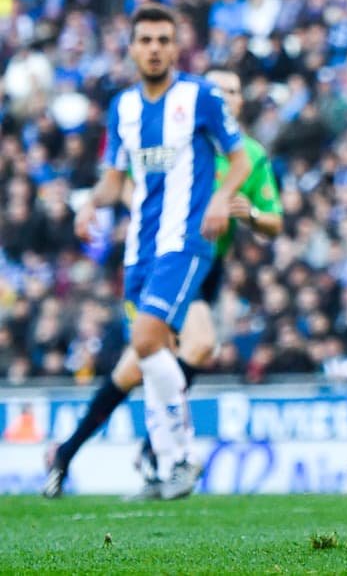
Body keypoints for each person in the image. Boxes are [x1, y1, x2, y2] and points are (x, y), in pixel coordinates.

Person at [44, 67, 284, 497]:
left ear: (241, 101)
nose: (225, 97)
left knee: (136, 365)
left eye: (233, 91)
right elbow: (126, 179)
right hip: (165, 258)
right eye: (217, 90)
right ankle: (163, 451)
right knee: (196, 344)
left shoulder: (248, 155)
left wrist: (248, 214)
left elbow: (274, 222)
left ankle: (67, 452)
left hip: (209, 265)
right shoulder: (181, 138)